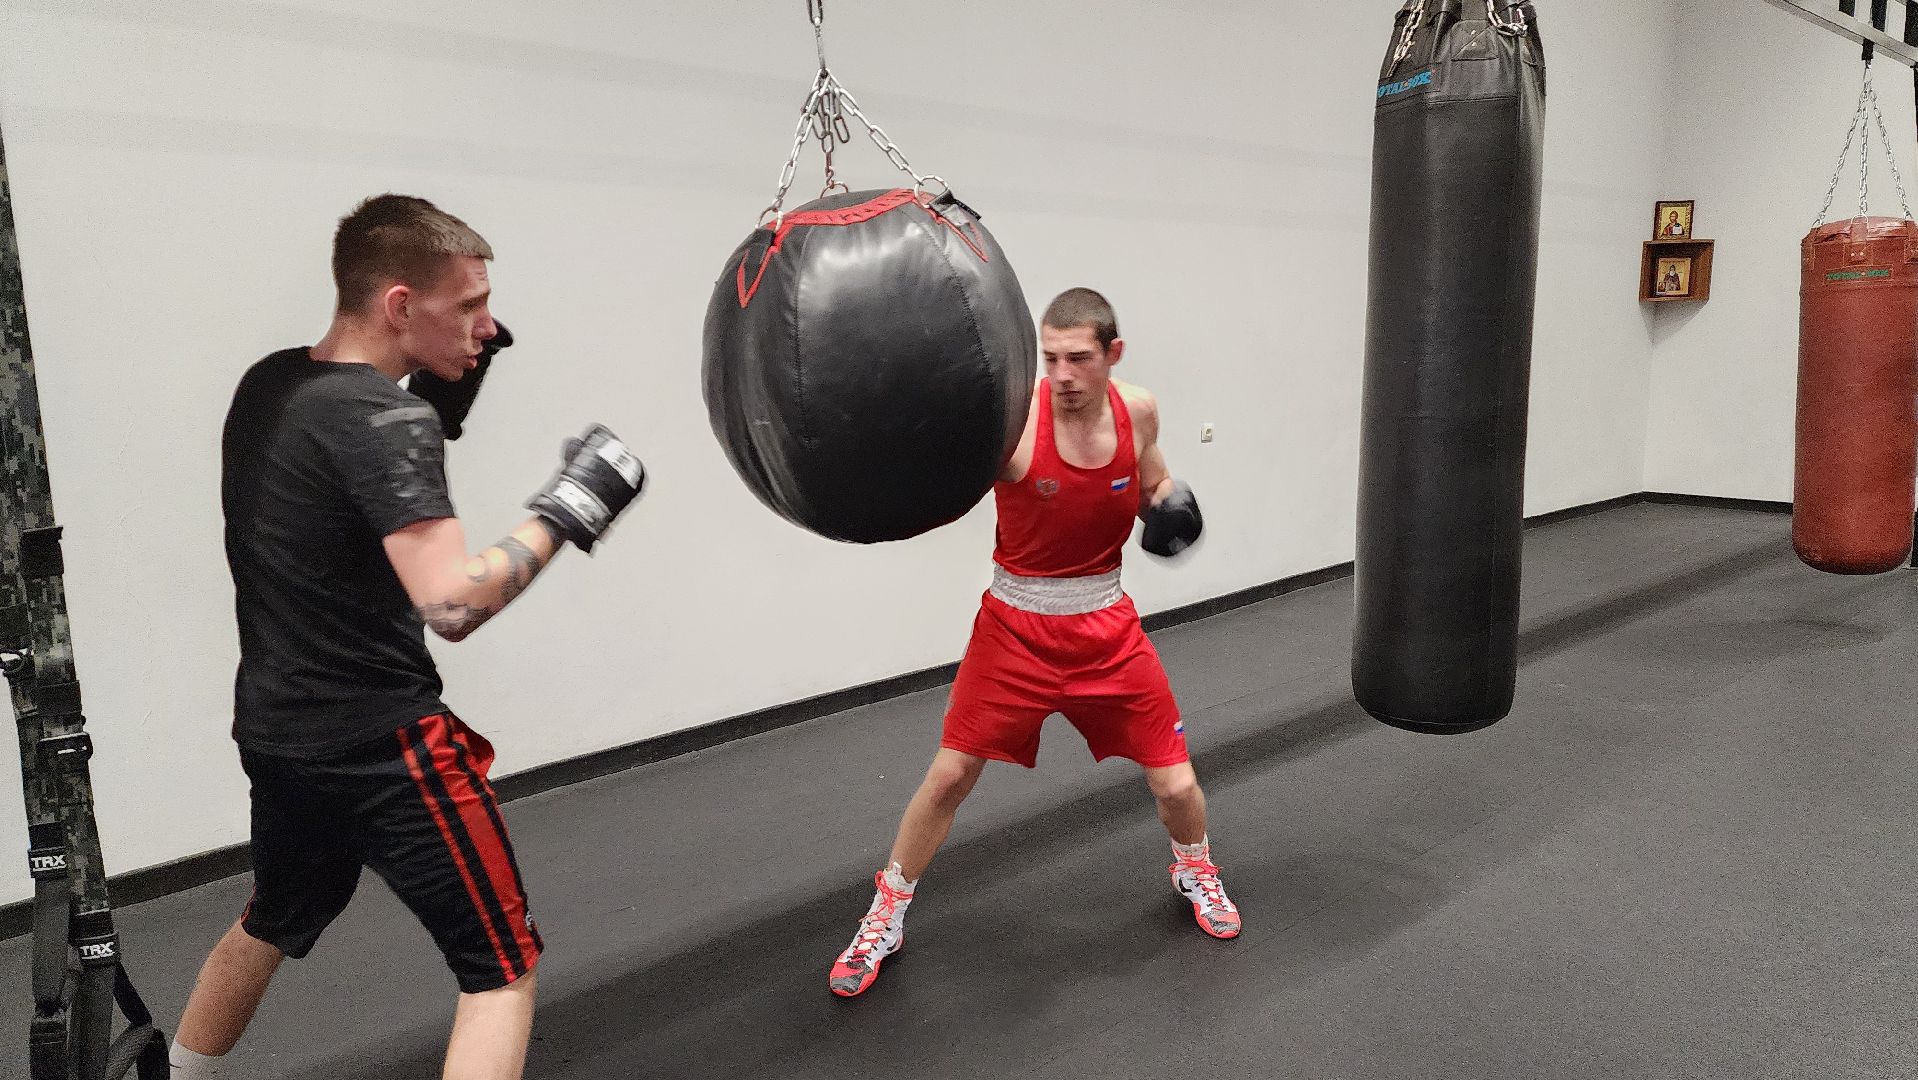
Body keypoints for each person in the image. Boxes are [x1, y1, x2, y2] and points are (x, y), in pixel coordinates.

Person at [170, 194, 646, 1080]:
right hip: (384, 747)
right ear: (398, 304)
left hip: (278, 735)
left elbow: (354, 478)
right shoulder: (386, 422)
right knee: (501, 973)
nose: (487, 325)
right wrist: (569, 507)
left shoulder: (273, 383)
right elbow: (453, 606)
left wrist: (442, 388)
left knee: (274, 916)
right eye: (468, 306)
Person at [827, 287, 1235, 999]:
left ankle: (1194, 867)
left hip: (1106, 627)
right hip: (1014, 630)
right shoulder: (1014, 426)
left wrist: (1168, 500)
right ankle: (885, 912)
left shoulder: (1137, 409)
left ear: (1113, 354)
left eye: (1079, 358)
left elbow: (1153, 477)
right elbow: (929, 476)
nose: (1064, 374)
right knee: (950, 776)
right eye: (1051, 358)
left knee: (1176, 781)